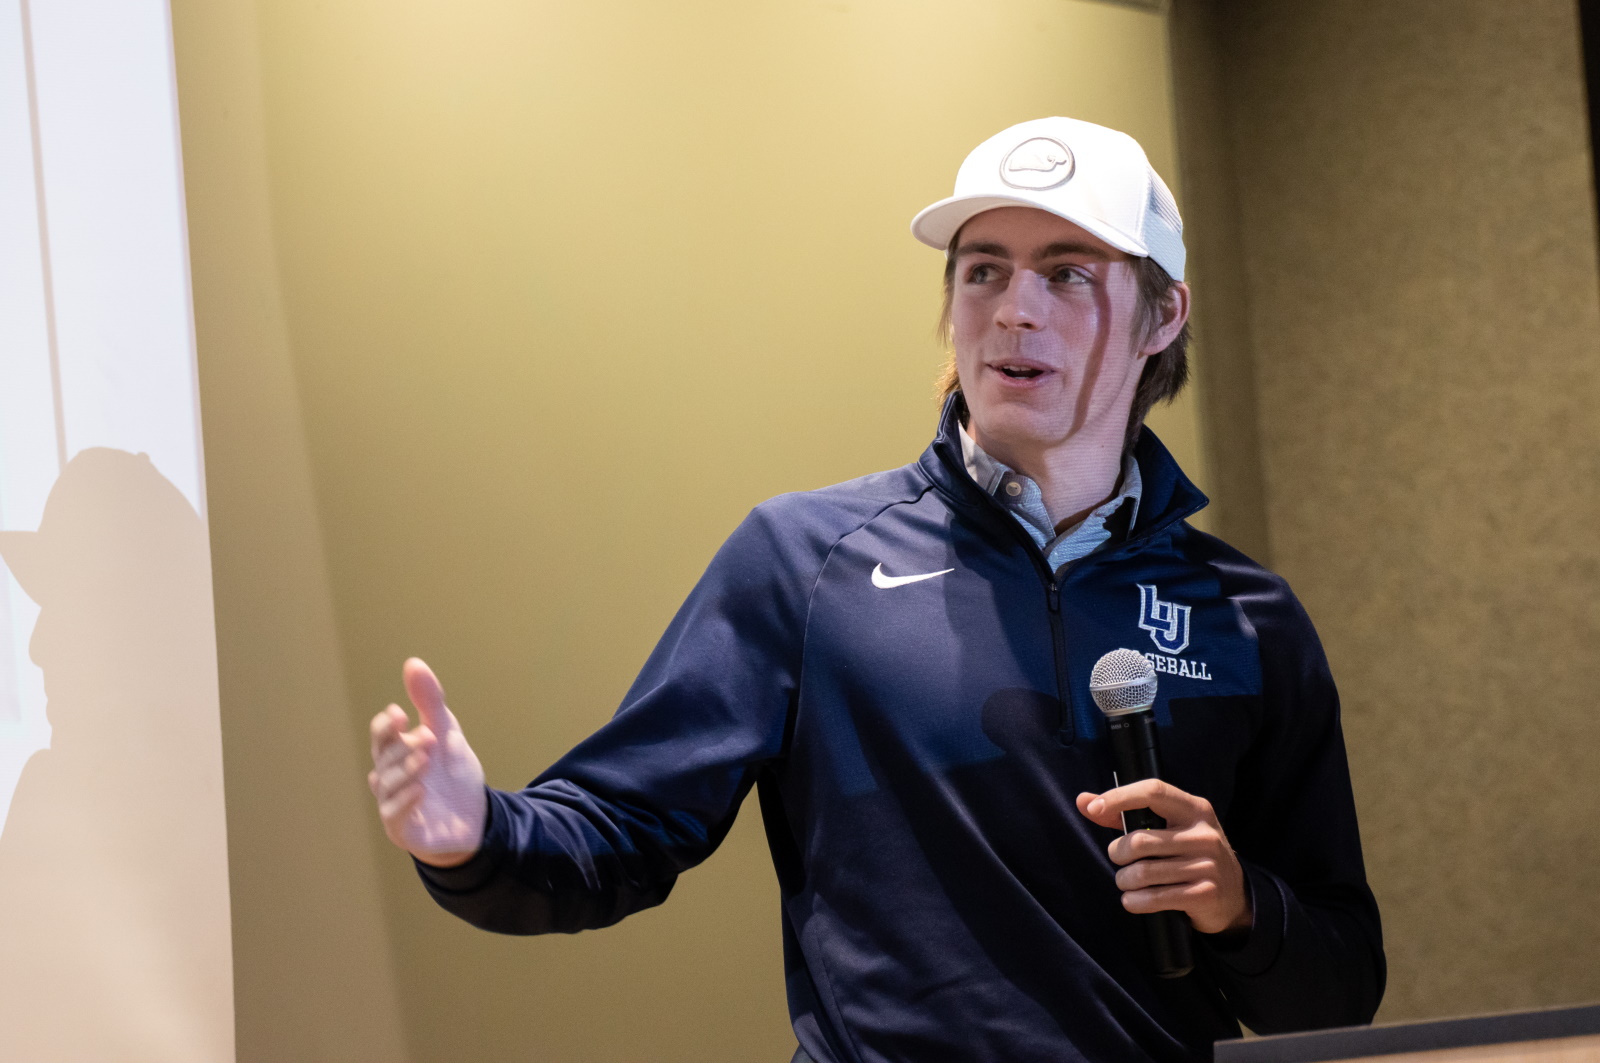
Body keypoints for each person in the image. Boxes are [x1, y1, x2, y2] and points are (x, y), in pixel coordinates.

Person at [367, 117, 1384, 1062]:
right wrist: (475, 836)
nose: (1013, 308)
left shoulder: (1248, 617)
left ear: (1162, 314)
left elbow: (1339, 991)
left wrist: (1239, 903)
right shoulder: (803, 562)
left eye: (1067, 274)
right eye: (983, 270)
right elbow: (615, 836)